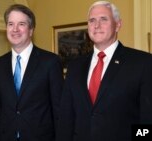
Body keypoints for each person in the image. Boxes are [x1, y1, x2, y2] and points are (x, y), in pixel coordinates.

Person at [56, 1, 152, 141]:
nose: (96, 26)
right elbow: (66, 119)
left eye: (103, 19)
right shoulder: (75, 66)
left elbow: (147, 119)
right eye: (92, 20)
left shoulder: (142, 63)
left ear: (118, 24)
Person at [0, 4, 64, 141]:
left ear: (31, 30)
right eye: (11, 24)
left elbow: (59, 110)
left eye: (21, 24)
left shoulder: (50, 62)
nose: (15, 29)